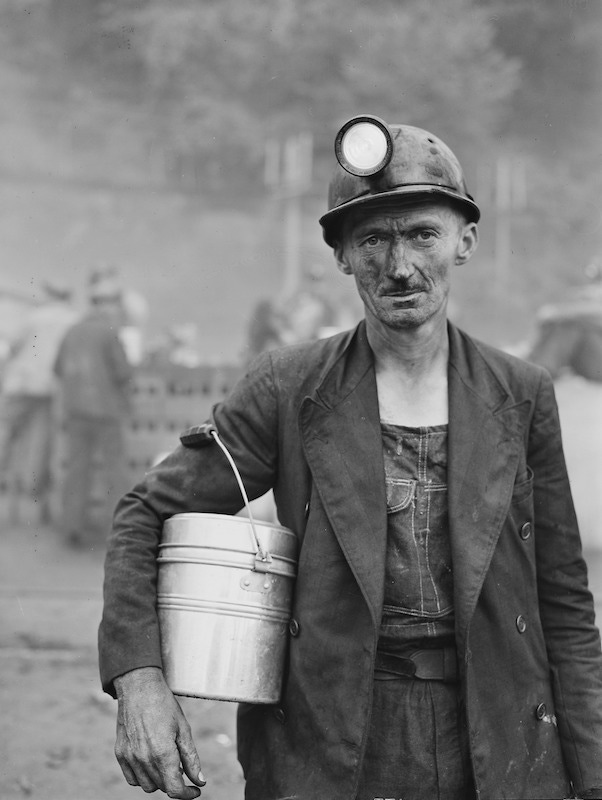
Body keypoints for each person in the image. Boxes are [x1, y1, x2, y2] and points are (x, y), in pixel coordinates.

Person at [98, 117, 602, 800]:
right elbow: (145, 515)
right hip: (331, 741)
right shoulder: (291, 390)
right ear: (341, 255)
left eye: (423, 233)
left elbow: (564, 604)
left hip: (497, 736)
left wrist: (591, 771)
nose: (399, 266)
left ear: (466, 241)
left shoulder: (519, 395)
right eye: (373, 239)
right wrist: (140, 681)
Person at [54, 267, 133, 547]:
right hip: (106, 412)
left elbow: (59, 368)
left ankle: (71, 528)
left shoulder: (73, 331)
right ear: (107, 304)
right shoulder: (109, 332)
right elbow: (123, 372)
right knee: (114, 469)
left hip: (76, 411)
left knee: (77, 469)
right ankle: (117, 527)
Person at [0, 280, 78, 518]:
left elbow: (12, 346)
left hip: (21, 384)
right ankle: (32, 499)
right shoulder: (72, 320)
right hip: (48, 388)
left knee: (6, 435)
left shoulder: (34, 316)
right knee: (41, 443)